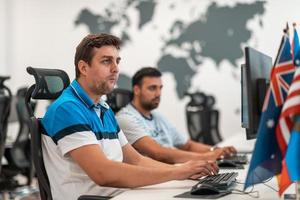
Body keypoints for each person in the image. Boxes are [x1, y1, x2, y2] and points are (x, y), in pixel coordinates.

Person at [41, 34, 218, 200]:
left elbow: (136, 159)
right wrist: (178, 173)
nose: (115, 68)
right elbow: (103, 173)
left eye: (117, 61)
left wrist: (184, 171)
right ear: (83, 68)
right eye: (106, 61)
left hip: (121, 194)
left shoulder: (103, 108)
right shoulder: (67, 109)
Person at [116, 67, 237, 164]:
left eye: (160, 88)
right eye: (152, 88)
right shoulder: (125, 119)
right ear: (136, 90)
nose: (158, 94)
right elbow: (158, 153)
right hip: (153, 180)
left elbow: (188, 145)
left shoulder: (158, 117)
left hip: (173, 172)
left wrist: (215, 151)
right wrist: (207, 157)